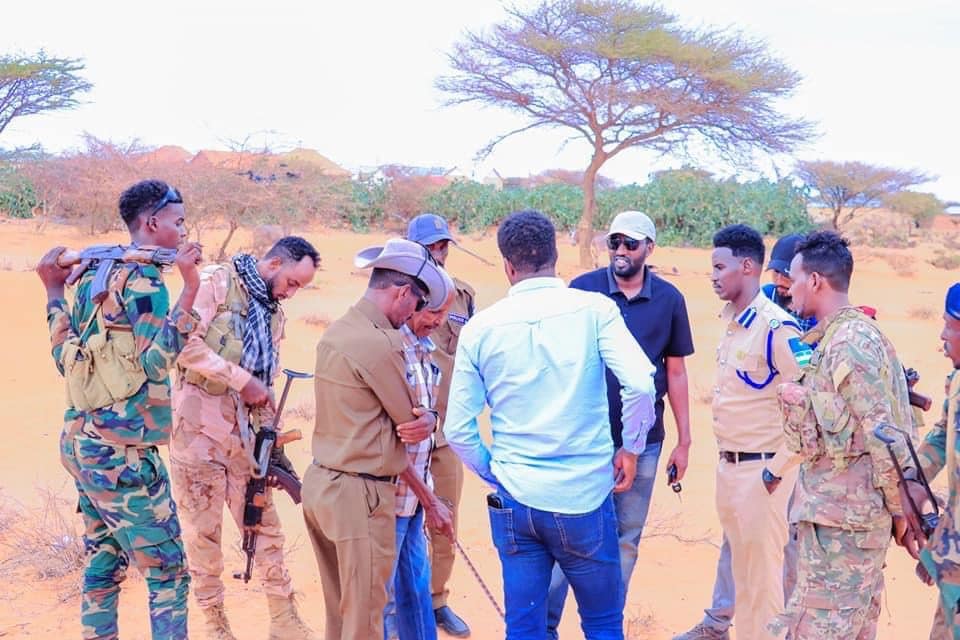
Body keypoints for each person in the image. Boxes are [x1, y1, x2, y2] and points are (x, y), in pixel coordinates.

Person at [444, 210, 657, 640]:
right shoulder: (595, 310)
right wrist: (632, 448)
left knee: (524, 627)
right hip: (584, 496)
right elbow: (639, 383)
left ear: (508, 266)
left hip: (516, 500)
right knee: (602, 622)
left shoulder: (481, 328)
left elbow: (457, 430)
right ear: (555, 256)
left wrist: (496, 471)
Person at [36, 179, 202, 639]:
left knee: (104, 563)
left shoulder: (94, 273)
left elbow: (64, 357)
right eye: (178, 222)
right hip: (123, 455)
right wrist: (190, 288)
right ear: (152, 222)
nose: (183, 231)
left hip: (82, 444)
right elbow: (155, 362)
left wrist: (53, 294)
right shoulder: (145, 281)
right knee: (168, 573)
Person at [548, 210, 694, 636]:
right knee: (566, 535)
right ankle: (545, 625)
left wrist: (685, 441)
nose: (621, 250)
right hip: (584, 438)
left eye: (631, 243)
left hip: (643, 442)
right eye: (614, 242)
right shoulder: (582, 290)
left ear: (650, 247)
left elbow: (676, 372)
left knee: (625, 539)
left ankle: (605, 628)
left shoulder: (669, 299)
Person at [169, 236, 321, 640]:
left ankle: (284, 620)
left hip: (246, 440)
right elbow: (182, 345)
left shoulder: (271, 313)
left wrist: (272, 441)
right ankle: (215, 624)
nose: (291, 293)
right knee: (203, 536)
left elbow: (267, 380)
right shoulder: (215, 283)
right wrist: (240, 379)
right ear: (274, 264)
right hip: (197, 434)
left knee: (265, 526)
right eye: (291, 282)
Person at [303, 238, 454, 640]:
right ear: (402, 293)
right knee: (366, 620)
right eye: (417, 302)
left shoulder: (339, 329)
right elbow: (411, 423)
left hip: (323, 483)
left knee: (341, 614)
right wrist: (431, 419)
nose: (415, 313)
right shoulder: (382, 342)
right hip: (361, 494)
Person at [769, 231, 916, 639]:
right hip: (841, 524)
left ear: (815, 281)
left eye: (795, 277)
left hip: (843, 530)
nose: (789, 288)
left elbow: (884, 435)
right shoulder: (840, 336)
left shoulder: (849, 343)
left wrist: (900, 510)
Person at [677, 231, 808, 640]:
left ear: (747, 267)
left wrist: (776, 469)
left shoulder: (776, 328)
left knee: (764, 587)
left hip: (764, 473)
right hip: (730, 469)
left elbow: (811, 406)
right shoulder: (735, 323)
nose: (713, 276)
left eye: (720, 267)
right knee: (745, 580)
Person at [405, 213, 476, 637]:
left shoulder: (463, 296)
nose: (438, 252)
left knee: (445, 517)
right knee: (396, 524)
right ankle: (400, 606)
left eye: (443, 245)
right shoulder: (394, 296)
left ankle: (437, 601)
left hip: (447, 432)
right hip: (403, 432)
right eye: (429, 246)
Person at [384, 288, 457, 640]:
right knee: (382, 597)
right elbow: (389, 441)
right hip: (391, 498)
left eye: (445, 314)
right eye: (433, 312)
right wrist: (430, 501)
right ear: (412, 306)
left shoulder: (427, 351)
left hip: (414, 498)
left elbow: (430, 416)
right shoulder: (390, 353)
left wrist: (432, 419)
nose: (439, 322)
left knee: (416, 588)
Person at [911, 283, 960, 639]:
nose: (942, 336)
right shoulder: (957, 380)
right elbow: (943, 433)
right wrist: (913, 476)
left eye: (950, 326)